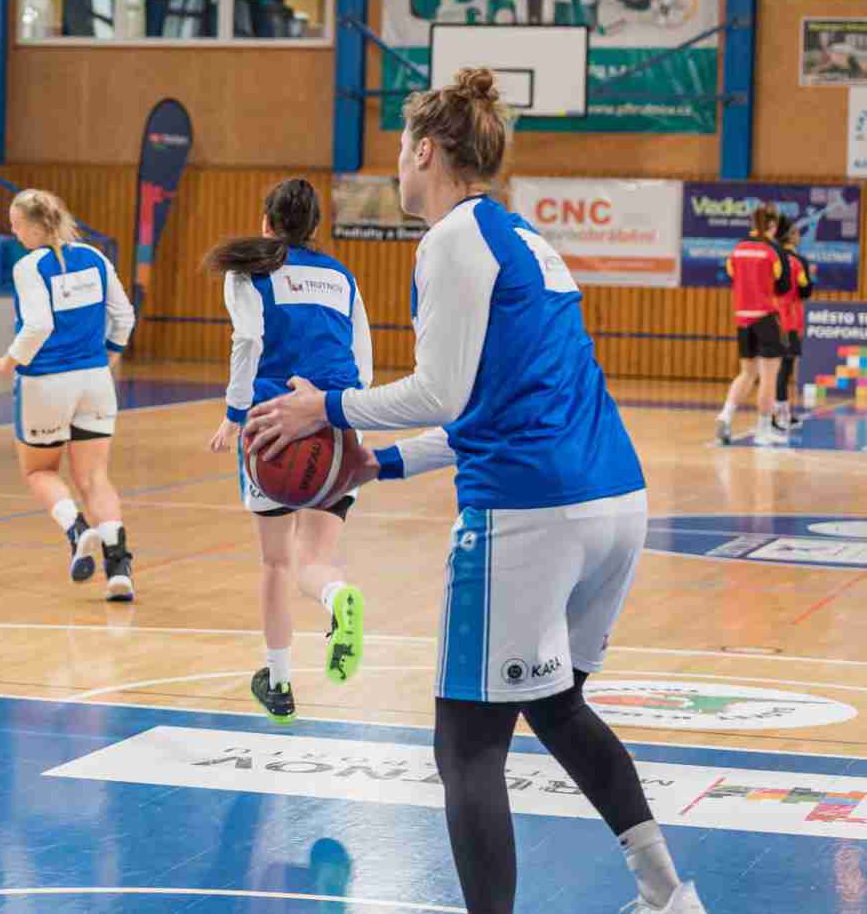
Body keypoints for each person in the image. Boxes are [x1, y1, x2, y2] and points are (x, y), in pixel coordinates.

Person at [244, 69, 704, 914]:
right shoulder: (523, 238)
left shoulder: (452, 240)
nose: (396, 164)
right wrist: (380, 464)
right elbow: (486, 405)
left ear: (426, 150)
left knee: (465, 748)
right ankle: (668, 894)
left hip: (531, 513)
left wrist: (327, 408)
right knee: (556, 704)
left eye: (400, 149)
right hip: (613, 496)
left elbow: (441, 391)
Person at [205, 178, 369, 723]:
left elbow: (248, 340)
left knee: (276, 563)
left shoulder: (248, 273)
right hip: (338, 426)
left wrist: (234, 414)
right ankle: (336, 596)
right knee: (315, 561)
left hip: (274, 427)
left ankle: (278, 685)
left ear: (266, 222)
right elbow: (363, 361)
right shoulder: (342, 277)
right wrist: (349, 425)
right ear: (315, 226)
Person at [0, 189, 136, 598]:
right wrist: (111, 353)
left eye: (16, 226)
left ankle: (76, 530)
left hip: (46, 383)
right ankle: (119, 568)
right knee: (95, 479)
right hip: (95, 380)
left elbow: (39, 325)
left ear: (33, 227)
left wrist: (5, 363)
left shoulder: (30, 266)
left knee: (40, 471)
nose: (14, 233)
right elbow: (124, 316)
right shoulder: (95, 257)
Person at [716, 204, 792, 447]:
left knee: (747, 373)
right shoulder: (774, 250)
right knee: (768, 377)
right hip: (766, 317)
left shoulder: (737, 250)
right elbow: (783, 286)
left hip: (742, 319)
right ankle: (763, 430)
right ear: (772, 226)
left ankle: (725, 415)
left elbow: (732, 275)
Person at [774, 211, 814, 432]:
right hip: (790, 320)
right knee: (785, 369)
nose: (799, 235)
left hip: (771, 317)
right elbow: (805, 291)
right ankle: (779, 416)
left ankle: (779, 414)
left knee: (774, 369)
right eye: (797, 232)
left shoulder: (773, 256)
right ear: (790, 235)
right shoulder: (799, 261)